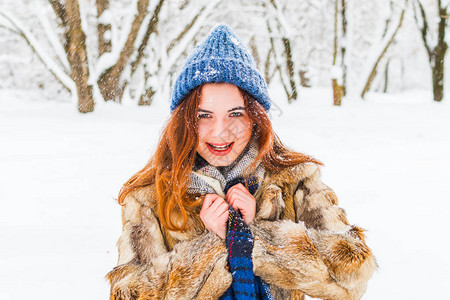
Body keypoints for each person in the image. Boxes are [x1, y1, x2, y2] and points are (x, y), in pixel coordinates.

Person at [106, 24, 376, 300]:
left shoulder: (294, 180)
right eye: (204, 115)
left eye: (235, 114)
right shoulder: (149, 195)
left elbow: (352, 278)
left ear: (255, 118)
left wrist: (254, 237)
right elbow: (129, 293)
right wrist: (211, 246)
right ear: (185, 121)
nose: (220, 132)